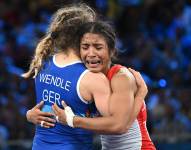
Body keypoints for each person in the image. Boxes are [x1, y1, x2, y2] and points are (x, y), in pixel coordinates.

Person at [51, 21, 156, 150]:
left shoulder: (121, 77)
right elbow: (58, 112)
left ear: (111, 50)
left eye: (98, 47)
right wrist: (31, 115)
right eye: (85, 47)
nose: (91, 53)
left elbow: (119, 126)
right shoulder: (85, 81)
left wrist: (74, 120)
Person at [23, 4, 113, 150]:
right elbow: (115, 125)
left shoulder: (42, 63)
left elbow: (44, 107)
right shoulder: (91, 78)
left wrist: (28, 115)